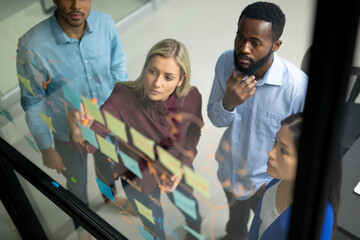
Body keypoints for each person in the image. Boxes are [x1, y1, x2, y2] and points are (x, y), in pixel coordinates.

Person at [68, 39, 203, 240]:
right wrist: (80, 134)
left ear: (181, 79)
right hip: (138, 179)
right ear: (146, 67)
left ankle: (195, 230)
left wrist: (183, 165)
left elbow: (193, 131)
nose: (157, 83)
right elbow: (98, 129)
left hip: (177, 170)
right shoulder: (122, 97)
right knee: (154, 229)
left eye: (168, 77)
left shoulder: (191, 96)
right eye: (153, 72)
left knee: (190, 209)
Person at [16, 0, 128, 238]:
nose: (77, 5)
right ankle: (83, 228)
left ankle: (109, 199)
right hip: (66, 133)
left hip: (104, 125)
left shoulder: (106, 24)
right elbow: (33, 102)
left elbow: (118, 69)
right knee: (76, 185)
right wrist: (47, 148)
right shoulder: (31, 45)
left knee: (107, 165)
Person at [207, 2, 308, 239]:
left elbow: (302, 151)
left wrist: (277, 184)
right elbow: (216, 118)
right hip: (230, 172)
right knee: (235, 223)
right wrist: (228, 102)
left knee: (262, 231)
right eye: (240, 38)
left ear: (276, 45)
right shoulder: (225, 63)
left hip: (265, 186)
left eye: (255, 43)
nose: (244, 49)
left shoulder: (297, 90)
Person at [248, 113, 341, 240]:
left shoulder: (321, 216)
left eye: (283, 150)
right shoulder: (275, 182)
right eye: (276, 142)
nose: (270, 153)